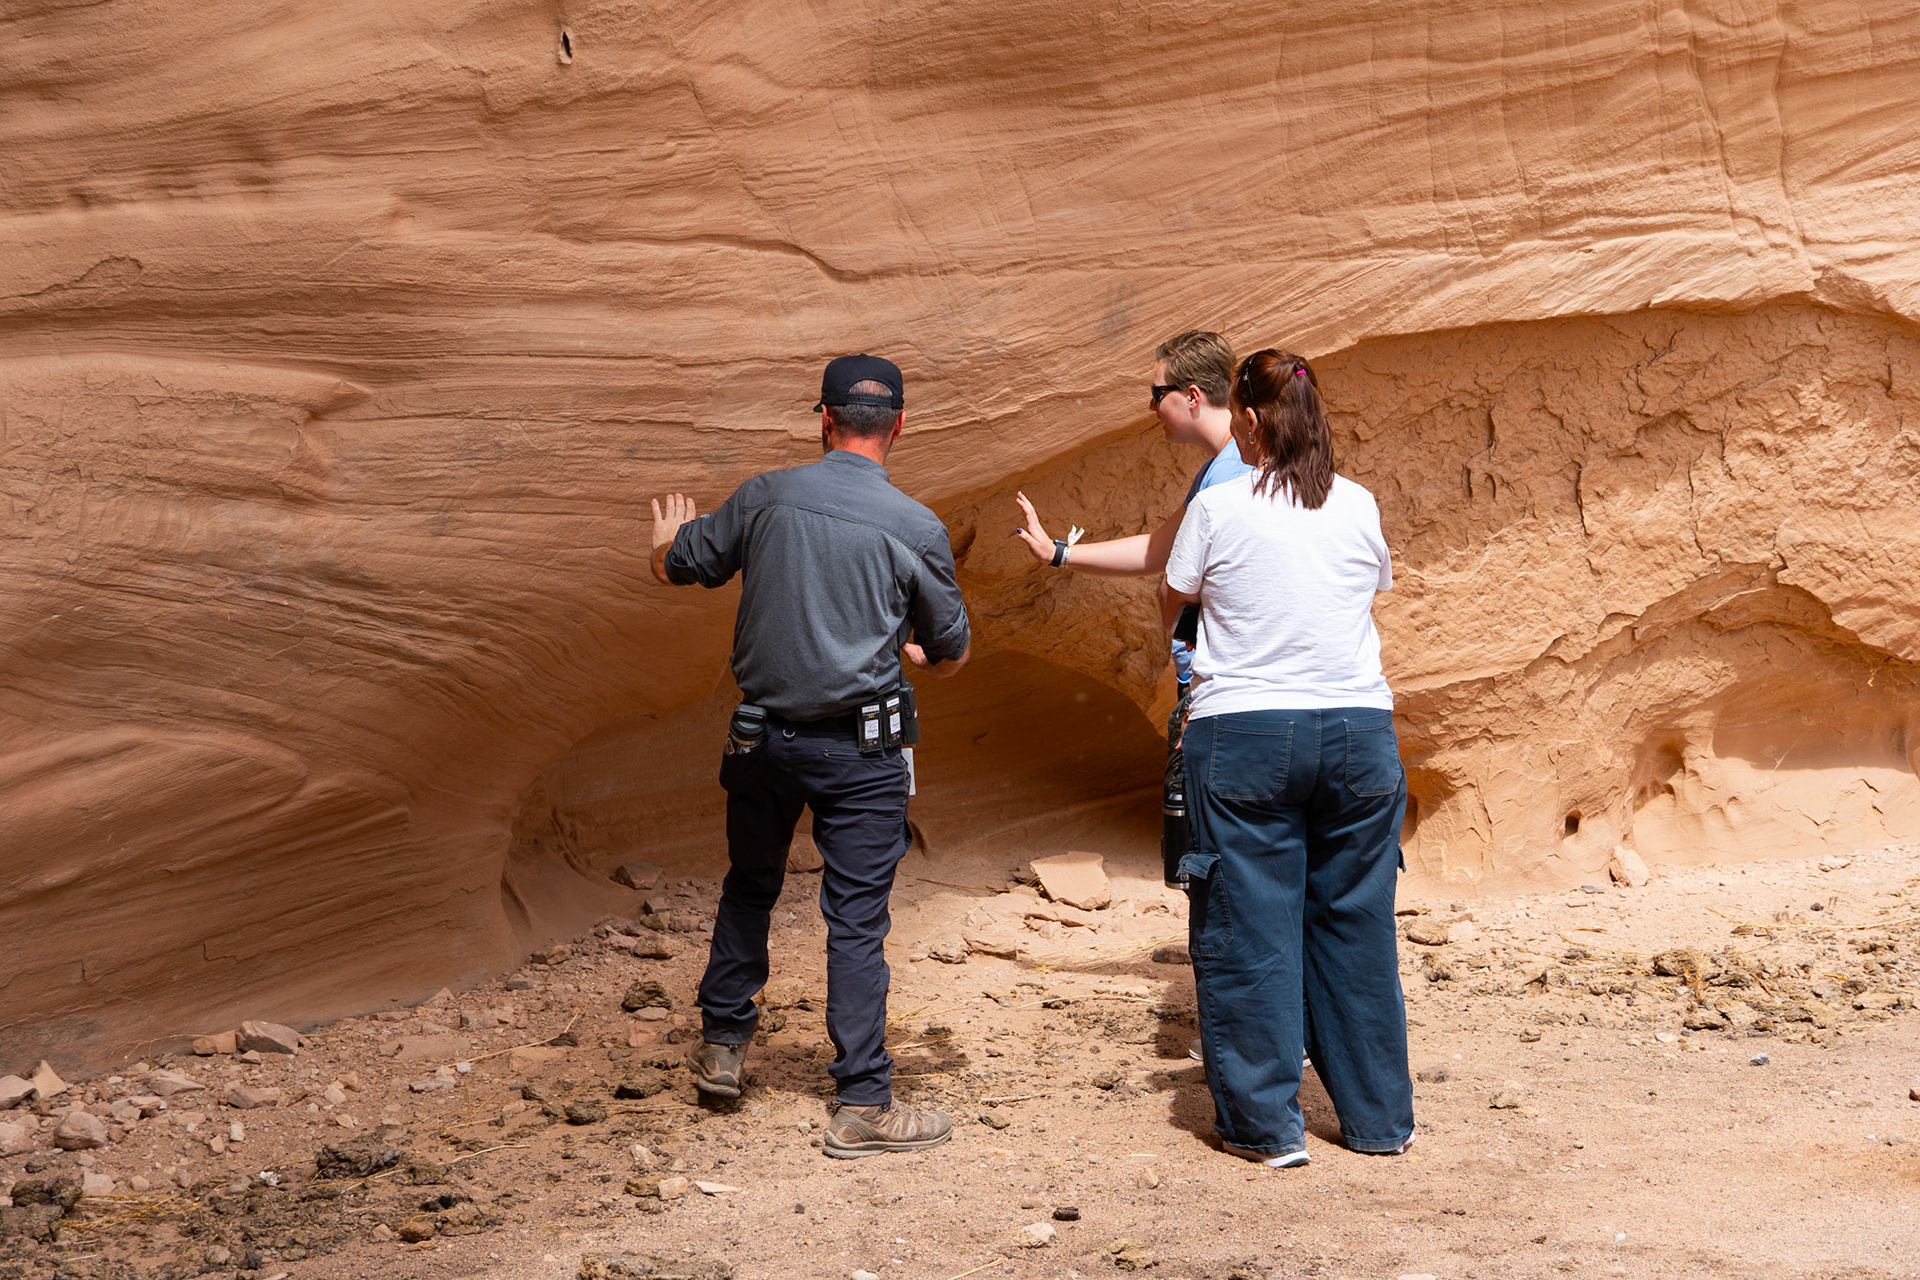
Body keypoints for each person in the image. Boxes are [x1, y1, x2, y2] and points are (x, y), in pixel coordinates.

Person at [649, 353, 972, 1158]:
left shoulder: (766, 496)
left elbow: (678, 566)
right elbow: (951, 650)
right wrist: (917, 654)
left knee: (750, 885)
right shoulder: (916, 527)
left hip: (761, 740)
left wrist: (661, 543)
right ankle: (863, 1101)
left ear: (823, 419)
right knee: (855, 921)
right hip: (862, 752)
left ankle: (723, 1047)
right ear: (899, 426)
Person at [1160, 348, 1414, 1169]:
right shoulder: (1359, 502)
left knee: (1249, 927)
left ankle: (1267, 1128)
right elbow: (1364, 590)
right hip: (1358, 730)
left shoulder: (1220, 506)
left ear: (1248, 420)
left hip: (1245, 732)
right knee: (1356, 924)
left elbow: (1176, 595)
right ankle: (1380, 1122)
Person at [1010, 331, 1253, 893]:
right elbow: (1157, 550)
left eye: (1157, 393)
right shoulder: (1220, 468)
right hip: (1214, 685)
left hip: (1223, 690)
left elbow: (1188, 582)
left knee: (1208, 859)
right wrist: (1058, 554)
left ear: (1192, 397)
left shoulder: (1234, 471)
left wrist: (1195, 664)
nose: (1150, 406)